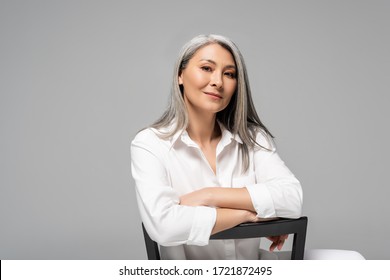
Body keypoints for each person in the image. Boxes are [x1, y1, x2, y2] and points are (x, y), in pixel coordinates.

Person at [130, 34, 361, 260]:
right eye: (207, 68)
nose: (218, 82)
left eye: (229, 74)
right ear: (180, 75)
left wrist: (209, 195)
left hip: (255, 268)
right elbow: (164, 226)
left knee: (353, 262)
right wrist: (249, 215)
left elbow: (292, 198)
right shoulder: (150, 143)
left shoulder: (252, 138)